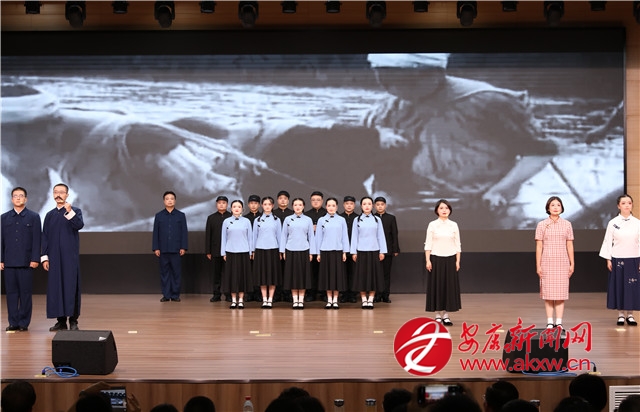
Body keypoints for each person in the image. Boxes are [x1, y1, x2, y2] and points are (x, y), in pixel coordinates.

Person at [42, 183, 84, 331]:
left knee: (71, 287)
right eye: (56, 192)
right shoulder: (49, 215)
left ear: (67, 195)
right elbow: (45, 237)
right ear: (53, 194)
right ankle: (61, 321)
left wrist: (69, 211)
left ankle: (73, 321)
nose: (58, 195)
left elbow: (79, 225)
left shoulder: (75, 211)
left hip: (69, 257)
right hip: (54, 258)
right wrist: (45, 257)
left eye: (61, 192)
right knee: (56, 288)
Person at [1, 187, 41, 332]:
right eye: (15, 196)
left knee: (25, 294)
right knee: (11, 294)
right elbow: (1, 240)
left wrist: (35, 258)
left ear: (26, 199)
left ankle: (24, 323)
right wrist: (1, 259)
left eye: (21, 195)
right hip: (9, 262)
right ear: (12, 199)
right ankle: (13, 322)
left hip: (26, 262)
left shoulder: (34, 217)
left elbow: (37, 240)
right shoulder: (4, 218)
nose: (18, 198)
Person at [598, 194, 639, 326]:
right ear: (618, 206)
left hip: (634, 258)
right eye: (623, 203)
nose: (627, 205)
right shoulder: (613, 223)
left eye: (629, 203)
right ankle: (621, 315)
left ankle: (630, 315)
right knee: (619, 286)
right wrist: (608, 259)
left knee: (632, 286)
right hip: (617, 258)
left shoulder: (637, 223)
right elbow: (607, 241)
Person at [535, 196, 574, 329]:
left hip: (562, 262)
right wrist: (538, 265)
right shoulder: (542, 225)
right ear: (548, 208)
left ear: (562, 208)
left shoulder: (567, 224)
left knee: (560, 294)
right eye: (553, 205)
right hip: (547, 262)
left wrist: (572, 263)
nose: (556, 207)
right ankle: (550, 321)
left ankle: (559, 322)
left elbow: (569, 245)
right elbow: (539, 246)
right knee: (548, 294)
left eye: (558, 205)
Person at [424, 199, 461, 326]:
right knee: (437, 286)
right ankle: (437, 315)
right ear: (437, 211)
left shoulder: (454, 225)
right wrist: (428, 260)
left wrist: (457, 261)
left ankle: (446, 315)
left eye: (446, 208)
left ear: (450, 210)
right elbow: (428, 243)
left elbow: (457, 244)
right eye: (441, 208)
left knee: (448, 287)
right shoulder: (432, 225)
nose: (444, 210)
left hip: (450, 258)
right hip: (436, 258)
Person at [350, 196, 387, 309]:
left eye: (369, 204)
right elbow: (354, 237)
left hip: (374, 251)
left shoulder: (377, 220)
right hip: (361, 251)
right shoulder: (356, 220)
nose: (367, 206)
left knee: (373, 276)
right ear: (361, 206)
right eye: (364, 204)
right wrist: (353, 252)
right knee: (362, 276)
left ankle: (370, 299)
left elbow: (381, 236)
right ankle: (363, 300)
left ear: (372, 206)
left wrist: (382, 251)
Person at [152, 191, 188, 303]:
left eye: (172, 199)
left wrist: (183, 247)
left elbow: (184, 232)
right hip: (163, 249)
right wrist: (156, 248)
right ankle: (166, 295)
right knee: (164, 273)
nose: (170, 201)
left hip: (176, 249)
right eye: (167, 199)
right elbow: (155, 233)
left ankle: (175, 295)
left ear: (175, 201)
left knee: (176, 273)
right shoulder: (159, 216)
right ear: (164, 201)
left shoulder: (181, 215)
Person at [280, 197, 316, 309]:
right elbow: (283, 235)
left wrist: (311, 252)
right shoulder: (288, 219)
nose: (298, 207)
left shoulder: (308, 220)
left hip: (304, 250)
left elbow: (311, 236)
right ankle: (295, 300)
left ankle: (301, 300)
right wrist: (283, 251)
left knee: (303, 276)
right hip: (290, 249)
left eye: (300, 205)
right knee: (293, 276)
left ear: (303, 206)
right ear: (292, 206)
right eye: (295, 205)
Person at [315, 197, 349, 309]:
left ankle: (335, 300)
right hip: (325, 251)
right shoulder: (321, 220)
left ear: (337, 207)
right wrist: (318, 253)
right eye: (329, 205)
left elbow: (344, 236)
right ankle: (329, 300)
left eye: (333, 206)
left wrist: (344, 252)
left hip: (338, 251)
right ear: (326, 207)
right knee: (327, 276)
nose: (331, 208)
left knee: (337, 276)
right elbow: (318, 237)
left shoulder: (341, 220)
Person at [221, 200, 254, 309]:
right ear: (231, 209)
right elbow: (223, 238)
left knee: (241, 276)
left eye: (239, 207)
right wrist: (223, 252)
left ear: (242, 209)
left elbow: (250, 238)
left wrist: (250, 251)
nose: (236, 208)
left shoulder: (246, 221)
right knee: (232, 276)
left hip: (243, 251)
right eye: (234, 206)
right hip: (230, 251)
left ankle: (241, 300)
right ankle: (233, 300)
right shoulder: (226, 221)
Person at [252, 196, 282, 308]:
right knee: (262, 276)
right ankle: (264, 299)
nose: (267, 206)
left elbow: (279, 236)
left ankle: (270, 299)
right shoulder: (257, 220)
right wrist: (253, 251)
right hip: (260, 250)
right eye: (265, 204)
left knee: (272, 276)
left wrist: (281, 251)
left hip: (273, 249)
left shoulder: (277, 220)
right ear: (262, 206)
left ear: (272, 206)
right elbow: (254, 237)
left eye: (269, 204)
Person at [205, 195, 232, 302]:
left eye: (223, 203)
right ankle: (216, 294)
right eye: (219, 203)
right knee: (216, 273)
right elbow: (208, 235)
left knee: (228, 273)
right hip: (215, 250)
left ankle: (228, 294)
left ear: (227, 205)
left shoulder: (231, 217)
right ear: (216, 204)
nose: (221, 205)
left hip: (229, 250)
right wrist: (208, 251)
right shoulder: (211, 218)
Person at [374, 196, 400, 303]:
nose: (380, 206)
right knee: (376, 274)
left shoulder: (391, 218)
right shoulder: (372, 218)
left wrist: (395, 249)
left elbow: (394, 234)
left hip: (388, 250)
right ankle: (377, 295)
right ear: (374, 206)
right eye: (378, 205)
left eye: (382, 204)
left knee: (386, 274)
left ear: (385, 205)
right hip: (374, 250)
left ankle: (385, 295)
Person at [305, 191, 326, 302]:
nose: (316, 202)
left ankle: (324, 293)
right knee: (310, 270)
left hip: (324, 246)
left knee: (324, 270)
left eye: (318, 200)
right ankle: (311, 293)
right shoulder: (306, 215)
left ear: (322, 201)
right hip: (309, 247)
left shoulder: (327, 213)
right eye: (313, 200)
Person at [273, 190, 294, 302]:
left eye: (285, 198)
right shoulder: (273, 213)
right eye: (280, 198)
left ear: (288, 201)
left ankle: (287, 294)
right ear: (277, 200)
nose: (283, 200)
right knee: (276, 270)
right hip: (274, 246)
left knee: (288, 270)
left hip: (290, 246)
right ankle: (276, 293)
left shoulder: (292, 214)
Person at [340, 195, 359, 303]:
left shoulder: (358, 218)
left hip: (354, 250)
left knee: (353, 272)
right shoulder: (339, 218)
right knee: (342, 273)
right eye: (347, 203)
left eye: (351, 204)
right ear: (343, 205)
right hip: (342, 250)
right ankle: (344, 294)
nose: (349, 205)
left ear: (354, 205)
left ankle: (352, 294)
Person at [244, 194, 262, 302]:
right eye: (251, 203)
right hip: (247, 248)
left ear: (259, 205)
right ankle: (249, 293)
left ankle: (259, 293)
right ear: (248, 204)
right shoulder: (245, 218)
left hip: (260, 248)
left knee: (259, 271)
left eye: (255, 203)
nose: (253, 205)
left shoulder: (262, 217)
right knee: (249, 272)